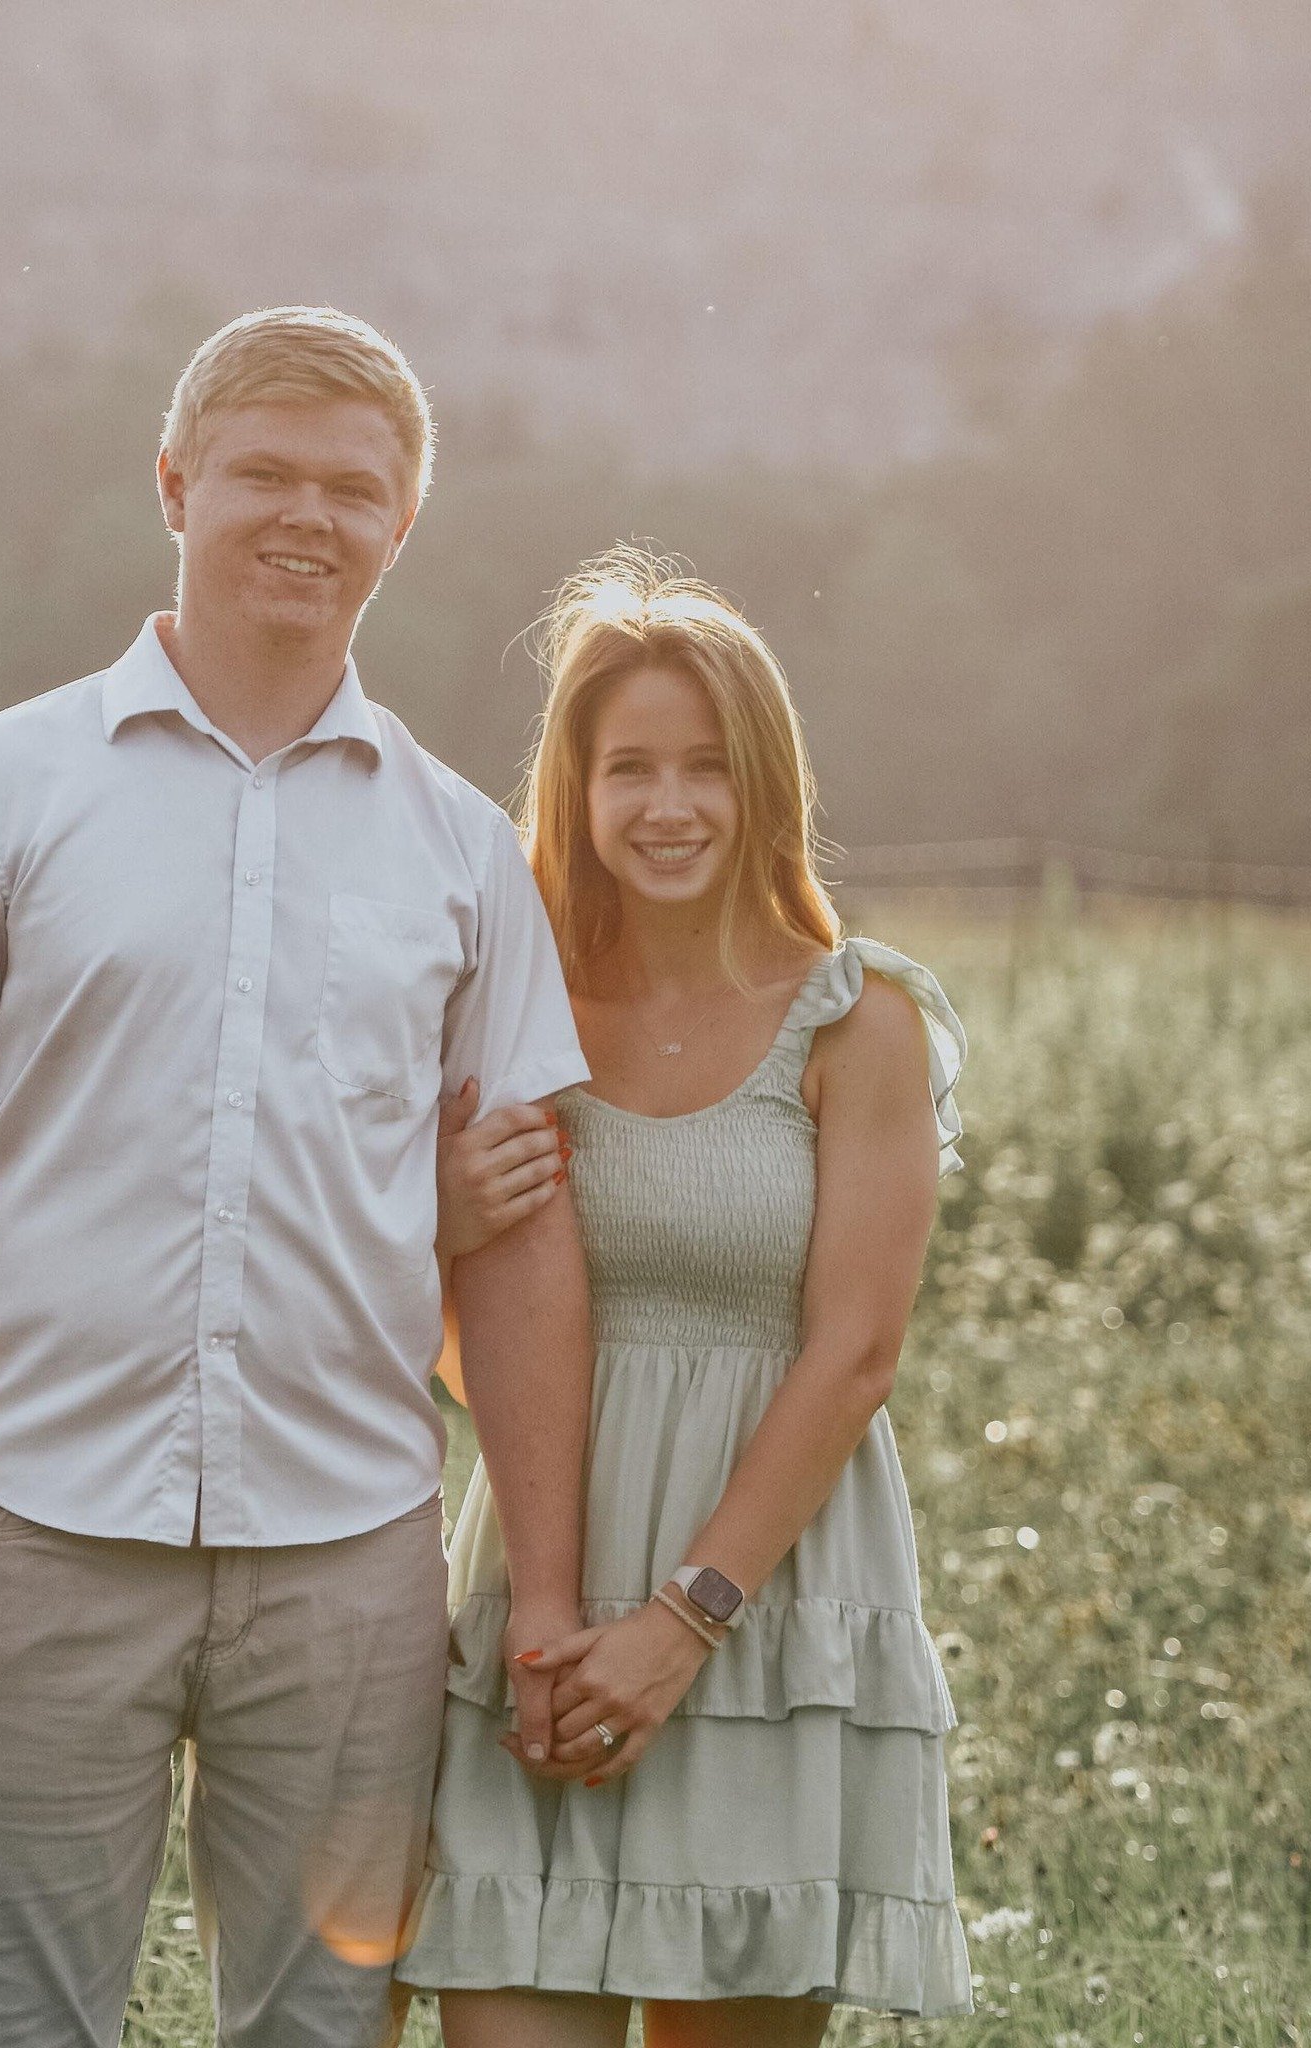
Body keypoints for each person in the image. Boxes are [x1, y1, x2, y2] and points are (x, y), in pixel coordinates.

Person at [0, 305, 596, 2048]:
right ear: (175, 483)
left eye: (353, 488)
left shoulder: (464, 852)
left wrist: (542, 1588)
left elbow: (525, 1241)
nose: (307, 516)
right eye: (263, 473)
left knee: (321, 2032)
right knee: (9, 2022)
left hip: (351, 1562)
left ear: (405, 526)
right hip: (35, 1537)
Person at [395, 551, 976, 2043]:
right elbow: (452, 1323)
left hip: (769, 1606)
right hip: (540, 1579)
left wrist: (683, 1620)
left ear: (764, 784)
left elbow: (854, 1355)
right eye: (631, 767)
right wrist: (565, 1613)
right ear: (575, 788)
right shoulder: (510, 1011)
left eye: (708, 769)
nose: (670, 806)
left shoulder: (862, 1022)